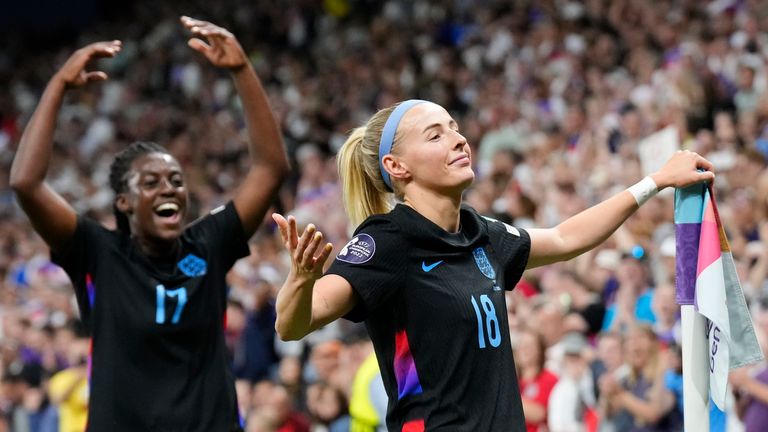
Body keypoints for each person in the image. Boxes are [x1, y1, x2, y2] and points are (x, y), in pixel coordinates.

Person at [271, 99, 714, 431]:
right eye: (435, 134)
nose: (458, 138)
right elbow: (295, 324)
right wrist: (300, 282)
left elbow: (565, 237)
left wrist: (654, 181)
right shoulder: (386, 240)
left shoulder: (479, 231)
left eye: (454, 127)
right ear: (396, 166)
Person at [9, 16, 289, 432]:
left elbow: (270, 168)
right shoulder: (97, 252)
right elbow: (26, 184)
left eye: (176, 181)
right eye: (151, 182)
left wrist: (242, 70)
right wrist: (58, 86)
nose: (169, 189)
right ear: (124, 202)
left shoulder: (207, 244)